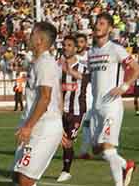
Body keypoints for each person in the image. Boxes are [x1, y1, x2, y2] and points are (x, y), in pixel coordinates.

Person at [87, 13, 139, 186]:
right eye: (96, 23)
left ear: (109, 28)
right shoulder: (91, 52)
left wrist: (125, 86)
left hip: (111, 106)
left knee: (108, 149)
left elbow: (137, 69)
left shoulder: (116, 49)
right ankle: (126, 165)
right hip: (96, 106)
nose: (97, 26)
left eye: (101, 23)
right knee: (97, 149)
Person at [12, 22, 62, 186]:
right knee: (18, 176)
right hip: (35, 125)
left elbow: (45, 98)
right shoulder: (38, 62)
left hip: (43, 127)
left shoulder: (45, 63)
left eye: (32, 34)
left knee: (25, 179)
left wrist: (28, 127)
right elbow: (56, 96)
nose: (29, 37)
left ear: (40, 39)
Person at [57, 35, 88, 183]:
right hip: (60, 111)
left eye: (69, 45)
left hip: (77, 111)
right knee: (58, 140)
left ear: (76, 49)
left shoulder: (83, 67)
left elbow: (87, 79)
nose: (65, 48)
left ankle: (66, 171)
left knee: (68, 141)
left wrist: (68, 70)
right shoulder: (57, 67)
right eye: (64, 45)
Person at [76, 33, 93, 160]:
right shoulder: (71, 57)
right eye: (77, 42)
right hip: (76, 92)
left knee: (88, 122)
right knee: (76, 122)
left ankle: (84, 150)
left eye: (82, 42)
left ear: (86, 43)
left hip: (90, 91)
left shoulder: (91, 56)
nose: (79, 45)